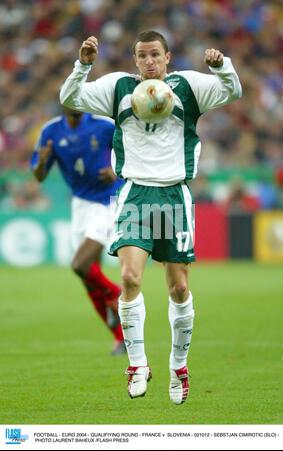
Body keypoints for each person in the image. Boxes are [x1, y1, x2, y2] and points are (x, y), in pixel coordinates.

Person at [60, 30, 242, 404]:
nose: (148, 62)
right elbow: (69, 97)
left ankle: (178, 366)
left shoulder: (189, 86)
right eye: (141, 56)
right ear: (135, 59)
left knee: (178, 288)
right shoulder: (118, 88)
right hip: (135, 194)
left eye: (154, 55)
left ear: (168, 57)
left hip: (175, 194)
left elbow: (233, 91)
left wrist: (222, 66)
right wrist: (84, 65)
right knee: (129, 277)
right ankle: (138, 364)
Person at [30, 107, 126, 355]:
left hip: (107, 201)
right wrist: (42, 161)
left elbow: (132, 151)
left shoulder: (104, 125)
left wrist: (116, 172)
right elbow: (39, 176)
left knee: (79, 264)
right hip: (80, 203)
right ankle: (121, 337)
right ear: (61, 103)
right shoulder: (51, 131)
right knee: (87, 279)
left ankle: (117, 292)